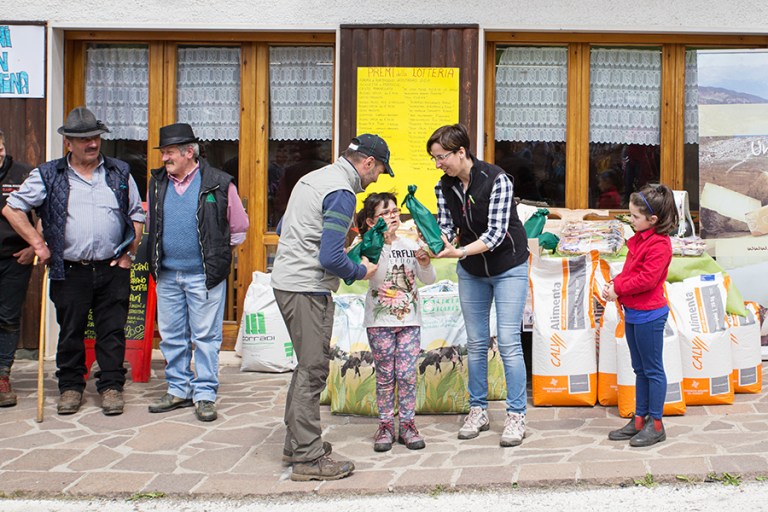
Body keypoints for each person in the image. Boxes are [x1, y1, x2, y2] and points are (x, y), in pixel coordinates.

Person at [2, 106, 145, 416]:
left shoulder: (119, 171)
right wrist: (38, 244)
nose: (92, 144)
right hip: (70, 268)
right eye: (84, 139)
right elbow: (13, 209)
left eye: (95, 137)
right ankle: (70, 387)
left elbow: (136, 214)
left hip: (112, 266)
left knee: (112, 330)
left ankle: (110, 386)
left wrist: (128, 254)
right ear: (68, 143)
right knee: (70, 330)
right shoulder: (48, 174)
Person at [271, 133, 393, 481]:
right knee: (313, 371)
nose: (378, 178)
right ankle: (308, 459)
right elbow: (329, 256)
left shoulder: (314, 178)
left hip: (288, 281)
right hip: (307, 288)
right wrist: (361, 271)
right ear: (368, 162)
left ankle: (296, 443)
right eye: (380, 170)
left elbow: (283, 228)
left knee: (305, 367)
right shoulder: (340, 191)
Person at [427, 123, 530, 447]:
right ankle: (478, 410)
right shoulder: (444, 187)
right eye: (433, 158)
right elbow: (445, 226)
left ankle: (516, 416)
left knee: (510, 342)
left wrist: (458, 251)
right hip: (472, 270)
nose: (438, 164)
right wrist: (431, 243)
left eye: (441, 157)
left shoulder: (497, 180)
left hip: (508, 266)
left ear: (461, 152)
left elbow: (497, 233)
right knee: (475, 342)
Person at [146, 123, 249, 422]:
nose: (165, 158)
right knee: (172, 337)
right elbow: (154, 225)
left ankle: (204, 393)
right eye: (164, 152)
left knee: (206, 338)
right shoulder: (157, 183)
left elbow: (238, 228)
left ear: (189, 152)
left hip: (203, 275)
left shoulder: (218, 182)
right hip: (167, 274)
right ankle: (178, 388)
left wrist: (216, 254)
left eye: (170, 153)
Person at [357, 192, 436, 452]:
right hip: (379, 321)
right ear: (371, 221)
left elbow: (428, 279)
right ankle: (385, 425)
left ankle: (408, 425)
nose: (393, 216)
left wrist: (424, 262)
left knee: (406, 374)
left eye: (395, 211)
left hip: (409, 321)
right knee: (385, 376)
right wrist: (378, 243)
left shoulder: (410, 245)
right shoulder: (368, 246)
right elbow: (372, 276)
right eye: (385, 212)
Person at [603, 184, 678, 447]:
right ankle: (639, 419)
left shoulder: (660, 245)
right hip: (635, 312)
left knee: (653, 370)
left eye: (634, 216)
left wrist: (619, 288)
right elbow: (631, 271)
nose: (631, 220)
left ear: (653, 220)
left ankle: (656, 424)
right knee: (640, 369)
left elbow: (646, 279)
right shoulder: (640, 240)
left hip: (649, 314)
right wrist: (615, 284)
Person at [0, 129, 34, 407]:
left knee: (8, 319)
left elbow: (44, 214)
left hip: (14, 258)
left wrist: (35, 247)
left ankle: (2, 376)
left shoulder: (24, 174)